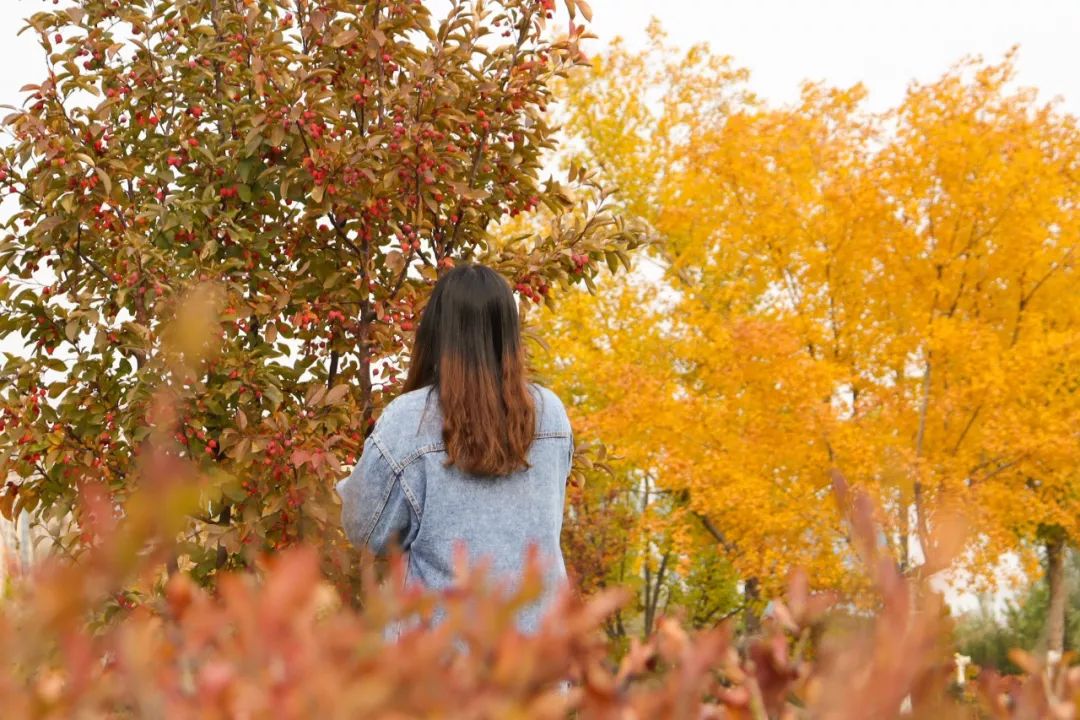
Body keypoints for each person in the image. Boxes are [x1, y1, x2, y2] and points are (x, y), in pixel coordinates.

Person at [336, 263, 573, 634]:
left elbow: (367, 532)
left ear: (436, 332)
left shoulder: (410, 420)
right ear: (508, 334)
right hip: (538, 660)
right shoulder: (550, 416)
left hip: (439, 670)